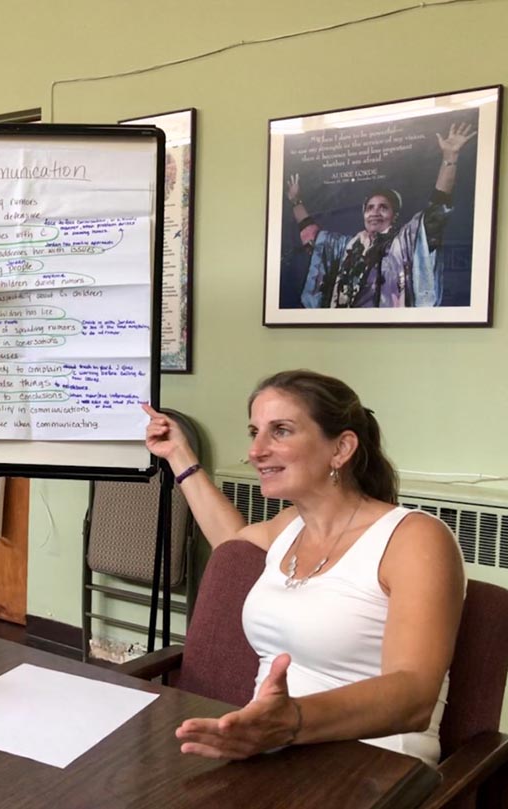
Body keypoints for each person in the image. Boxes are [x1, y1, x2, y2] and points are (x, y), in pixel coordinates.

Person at [141, 370, 464, 766]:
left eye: (280, 431)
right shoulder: (290, 526)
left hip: (377, 765)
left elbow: (414, 696)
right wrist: (179, 454)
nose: (256, 451)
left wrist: (291, 721)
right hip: (272, 751)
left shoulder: (415, 538)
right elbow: (232, 544)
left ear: (341, 448)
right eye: (254, 432)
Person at [288, 122, 476, 308]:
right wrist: (296, 202)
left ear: (395, 215)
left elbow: (436, 212)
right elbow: (313, 238)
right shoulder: (345, 247)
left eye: (383, 207)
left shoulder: (405, 242)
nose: (375, 213)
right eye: (370, 208)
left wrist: (450, 158)